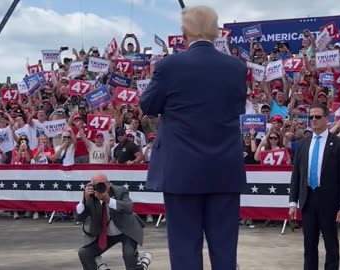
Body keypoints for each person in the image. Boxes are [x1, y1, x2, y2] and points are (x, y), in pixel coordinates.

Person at [139, 5, 247, 270]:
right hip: (224, 169)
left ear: (184, 32)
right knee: (224, 249)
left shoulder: (170, 65)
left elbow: (148, 105)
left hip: (181, 171)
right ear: (215, 31)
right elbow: (238, 108)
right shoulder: (236, 67)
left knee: (185, 248)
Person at [288, 104, 340, 270]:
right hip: (308, 200)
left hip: (329, 202)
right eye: (311, 117)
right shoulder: (303, 144)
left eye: (317, 117)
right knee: (309, 245)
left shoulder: (339, 145)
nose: (314, 120)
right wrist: (292, 202)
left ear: (327, 118)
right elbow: (296, 175)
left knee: (331, 244)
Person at [76, 174, 149, 270]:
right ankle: (100, 266)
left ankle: (141, 265)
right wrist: (84, 200)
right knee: (84, 253)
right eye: (97, 185)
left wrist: (109, 200)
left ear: (109, 184)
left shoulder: (120, 191)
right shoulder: (90, 196)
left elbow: (129, 207)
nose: (101, 188)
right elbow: (79, 217)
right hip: (106, 234)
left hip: (126, 230)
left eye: (103, 184)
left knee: (129, 254)